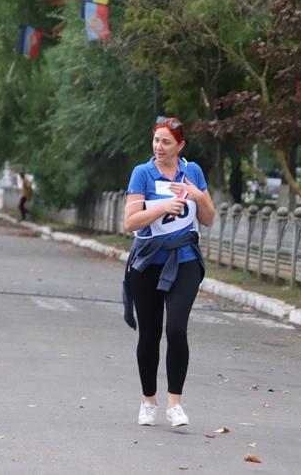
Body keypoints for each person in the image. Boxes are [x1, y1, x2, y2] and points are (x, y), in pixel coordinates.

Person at [122, 116, 216, 428]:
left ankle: (175, 403)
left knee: (176, 329)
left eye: (166, 142)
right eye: (156, 140)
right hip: (148, 261)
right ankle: (148, 400)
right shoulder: (142, 173)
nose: (159, 147)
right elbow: (131, 222)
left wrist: (198, 195)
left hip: (185, 259)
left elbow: (208, 218)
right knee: (150, 334)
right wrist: (163, 208)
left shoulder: (193, 171)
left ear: (180, 146)